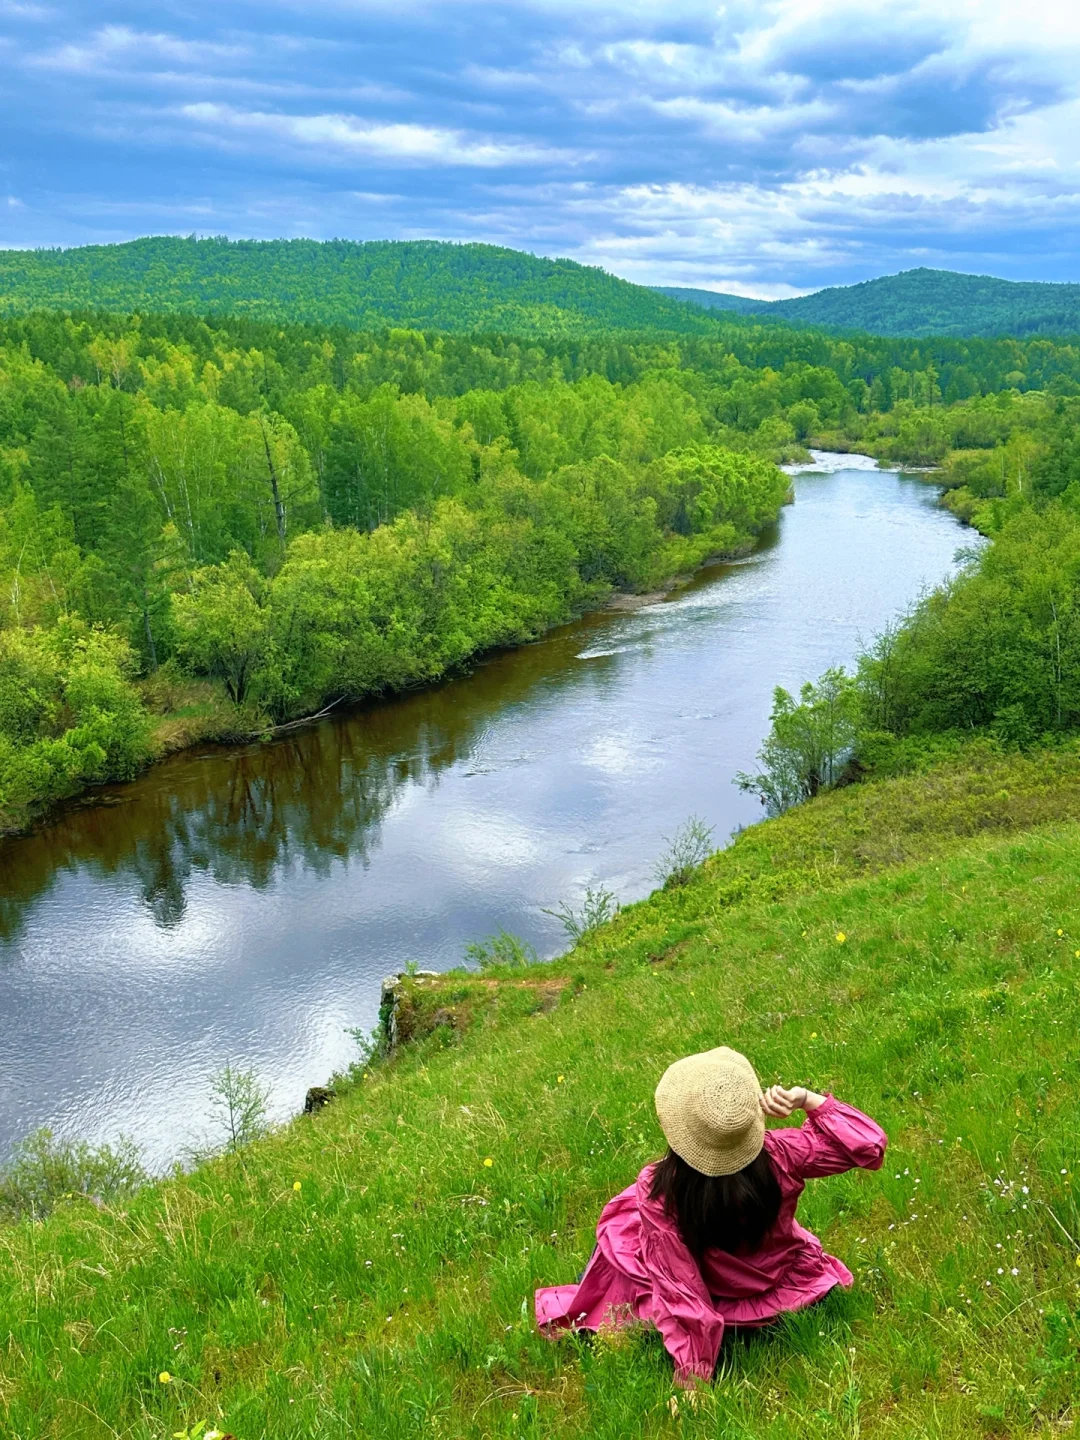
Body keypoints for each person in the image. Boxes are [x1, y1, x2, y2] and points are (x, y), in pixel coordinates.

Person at [535, 1046, 887, 1387]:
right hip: (777, 1281)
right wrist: (808, 1099)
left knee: (622, 1240)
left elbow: (681, 1286)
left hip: (717, 1293)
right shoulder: (782, 1154)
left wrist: (693, 1376)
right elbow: (869, 1146)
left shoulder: (662, 1192)